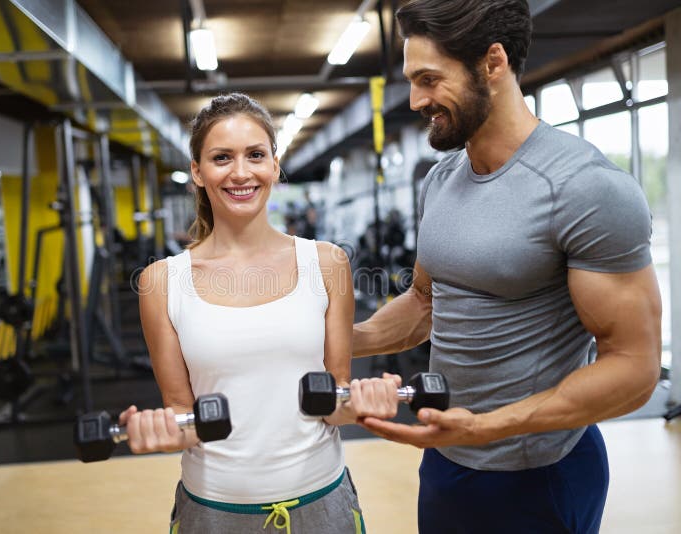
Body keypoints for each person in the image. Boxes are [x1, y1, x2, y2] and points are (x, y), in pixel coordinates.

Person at [351, 1, 662, 532]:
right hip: (448, 456)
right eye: (412, 80)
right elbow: (425, 303)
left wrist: (489, 427)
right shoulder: (443, 178)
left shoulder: (584, 187)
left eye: (429, 79)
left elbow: (635, 367)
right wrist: (324, 339)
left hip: (538, 472)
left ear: (492, 63)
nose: (416, 99)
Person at [125, 93, 398, 533]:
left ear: (274, 164)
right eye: (221, 158)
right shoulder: (161, 281)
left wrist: (366, 403)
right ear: (197, 171)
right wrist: (154, 429)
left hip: (322, 503)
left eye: (255, 155)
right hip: (213, 511)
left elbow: (334, 402)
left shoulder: (327, 264)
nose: (240, 172)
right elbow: (183, 418)